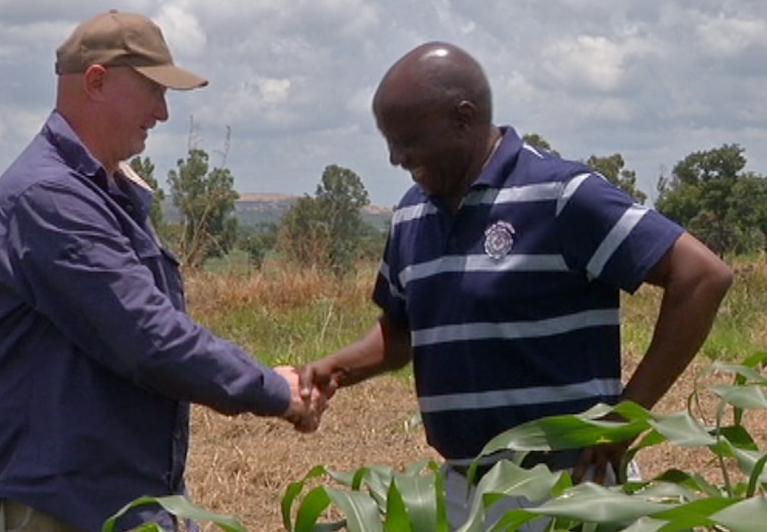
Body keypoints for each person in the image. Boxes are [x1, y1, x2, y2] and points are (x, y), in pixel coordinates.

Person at [299, 41, 733, 529]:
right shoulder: (412, 214)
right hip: (466, 491)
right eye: (389, 141)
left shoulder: (561, 195)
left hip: (565, 492)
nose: (397, 157)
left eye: (409, 140)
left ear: (463, 118)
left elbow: (702, 277)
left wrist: (625, 420)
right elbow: (402, 333)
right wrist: (336, 367)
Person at [0, 10, 323, 532]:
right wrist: (273, 390)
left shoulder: (101, 196)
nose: (163, 112)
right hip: (46, 505)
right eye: (152, 90)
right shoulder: (49, 199)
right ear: (97, 82)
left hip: (100, 499)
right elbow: (148, 337)